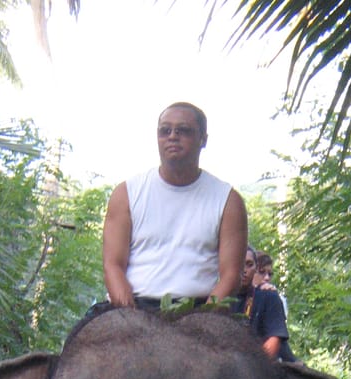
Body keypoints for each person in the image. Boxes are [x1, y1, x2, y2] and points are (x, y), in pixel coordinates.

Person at [102, 102, 248, 308]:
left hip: (200, 309)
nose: (172, 136)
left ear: (203, 139)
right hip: (135, 307)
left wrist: (206, 317)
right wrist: (131, 315)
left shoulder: (228, 201)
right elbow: (113, 265)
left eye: (183, 131)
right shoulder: (126, 193)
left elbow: (231, 275)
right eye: (165, 131)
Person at [234, 246, 297, 363]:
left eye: (249, 265)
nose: (244, 270)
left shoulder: (269, 296)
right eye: (262, 272)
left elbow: (275, 339)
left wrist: (254, 366)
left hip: (265, 365)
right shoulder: (217, 298)